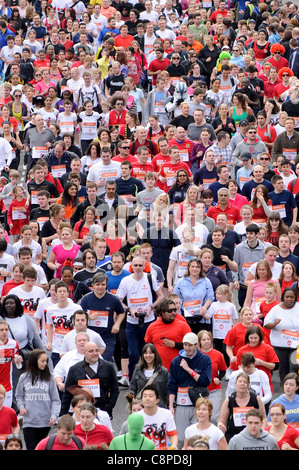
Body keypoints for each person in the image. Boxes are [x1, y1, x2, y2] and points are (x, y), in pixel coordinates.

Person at [117, 255, 164, 379]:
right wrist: (129, 309)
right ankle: (134, 379)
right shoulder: (126, 280)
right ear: (132, 266)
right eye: (135, 265)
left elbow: (161, 296)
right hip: (132, 322)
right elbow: (119, 300)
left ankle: (150, 377)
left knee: (148, 352)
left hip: (148, 321)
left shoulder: (150, 277)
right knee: (133, 353)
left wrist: (151, 307)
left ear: (145, 266)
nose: (138, 268)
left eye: (140, 265)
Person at [168, 332, 212, 449]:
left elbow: (205, 381)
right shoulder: (176, 361)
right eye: (185, 345)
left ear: (196, 345)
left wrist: (188, 369)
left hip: (198, 403)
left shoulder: (205, 359)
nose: (187, 348)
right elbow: (171, 385)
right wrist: (171, 406)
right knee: (181, 438)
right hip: (182, 404)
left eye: (190, 345)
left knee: (197, 437)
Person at [15, 348, 60, 451]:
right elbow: (19, 396)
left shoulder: (50, 378)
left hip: (45, 421)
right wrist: (21, 407)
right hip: (29, 421)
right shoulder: (24, 377)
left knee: (42, 448)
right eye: (42, 361)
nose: (45, 363)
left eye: (46, 361)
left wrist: (54, 415)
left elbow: (56, 400)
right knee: (31, 447)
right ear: (35, 361)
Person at [60, 341, 119, 419]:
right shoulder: (74, 369)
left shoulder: (108, 367)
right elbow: (67, 393)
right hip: (81, 411)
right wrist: (63, 414)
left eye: (96, 350)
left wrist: (108, 407)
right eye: (91, 351)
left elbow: (115, 389)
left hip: (102, 410)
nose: (95, 353)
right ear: (84, 353)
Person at [79, 271, 125, 364]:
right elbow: (79, 315)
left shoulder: (113, 299)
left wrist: (117, 324)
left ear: (106, 284)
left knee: (104, 362)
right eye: (97, 284)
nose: (100, 287)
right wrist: (88, 317)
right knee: (90, 361)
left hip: (108, 337)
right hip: (91, 336)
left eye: (103, 284)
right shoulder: (86, 299)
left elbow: (121, 312)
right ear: (93, 285)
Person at [218, 372, 267, 443]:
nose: (242, 384)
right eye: (240, 381)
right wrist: (221, 426)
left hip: (252, 434)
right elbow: (222, 421)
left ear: (248, 385)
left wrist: (262, 429)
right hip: (233, 434)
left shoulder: (255, 398)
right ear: (235, 383)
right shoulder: (230, 400)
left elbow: (264, 417)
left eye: (245, 382)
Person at [144, 299, 191, 372]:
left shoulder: (183, 325)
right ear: (162, 312)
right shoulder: (152, 327)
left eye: (174, 310)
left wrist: (175, 345)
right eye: (169, 311)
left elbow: (192, 347)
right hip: (158, 368)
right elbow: (147, 347)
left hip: (179, 368)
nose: (173, 313)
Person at [264, 288, 299, 383]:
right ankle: (285, 388)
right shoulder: (276, 309)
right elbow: (266, 324)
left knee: (294, 366)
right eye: (287, 297)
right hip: (280, 346)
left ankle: (294, 388)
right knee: (283, 368)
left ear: (295, 297)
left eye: (292, 297)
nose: (289, 299)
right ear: (283, 297)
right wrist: (274, 324)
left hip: (295, 346)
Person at [173, 258, 214, 334]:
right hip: (185, 318)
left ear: (201, 269)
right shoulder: (181, 282)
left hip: (201, 317)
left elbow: (210, 297)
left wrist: (205, 307)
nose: (195, 269)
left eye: (197, 267)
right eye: (192, 266)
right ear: (188, 267)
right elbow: (175, 298)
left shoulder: (206, 281)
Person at [197, 330, 227, 425]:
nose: (206, 342)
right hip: (200, 390)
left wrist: (218, 377)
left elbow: (223, 370)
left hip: (214, 389)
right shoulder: (196, 355)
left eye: (208, 339)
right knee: (199, 416)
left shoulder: (217, 354)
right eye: (204, 340)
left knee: (213, 417)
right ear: (199, 342)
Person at [129, 343, 169, 409]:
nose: (148, 355)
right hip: (141, 408)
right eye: (145, 353)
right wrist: (131, 399)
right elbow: (132, 388)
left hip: (159, 408)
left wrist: (169, 407)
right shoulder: (138, 370)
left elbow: (168, 391)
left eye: (150, 353)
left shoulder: (163, 371)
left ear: (155, 354)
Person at [138, 384, 178, 450]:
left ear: (157, 400)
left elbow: (172, 435)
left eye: (151, 396)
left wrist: (174, 445)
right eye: (144, 396)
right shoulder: (137, 416)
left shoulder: (167, 414)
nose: (147, 398)